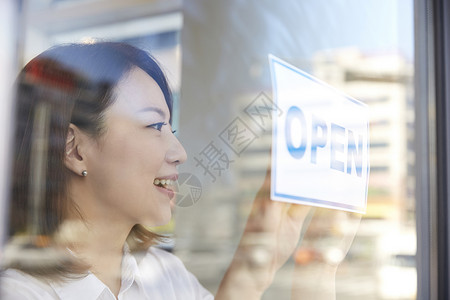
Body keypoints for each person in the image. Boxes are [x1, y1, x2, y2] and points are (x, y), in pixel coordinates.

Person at [0, 42, 359, 299]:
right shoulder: (19, 291)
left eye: (171, 129)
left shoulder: (163, 274)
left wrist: (291, 263)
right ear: (74, 149)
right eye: (154, 126)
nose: (180, 153)